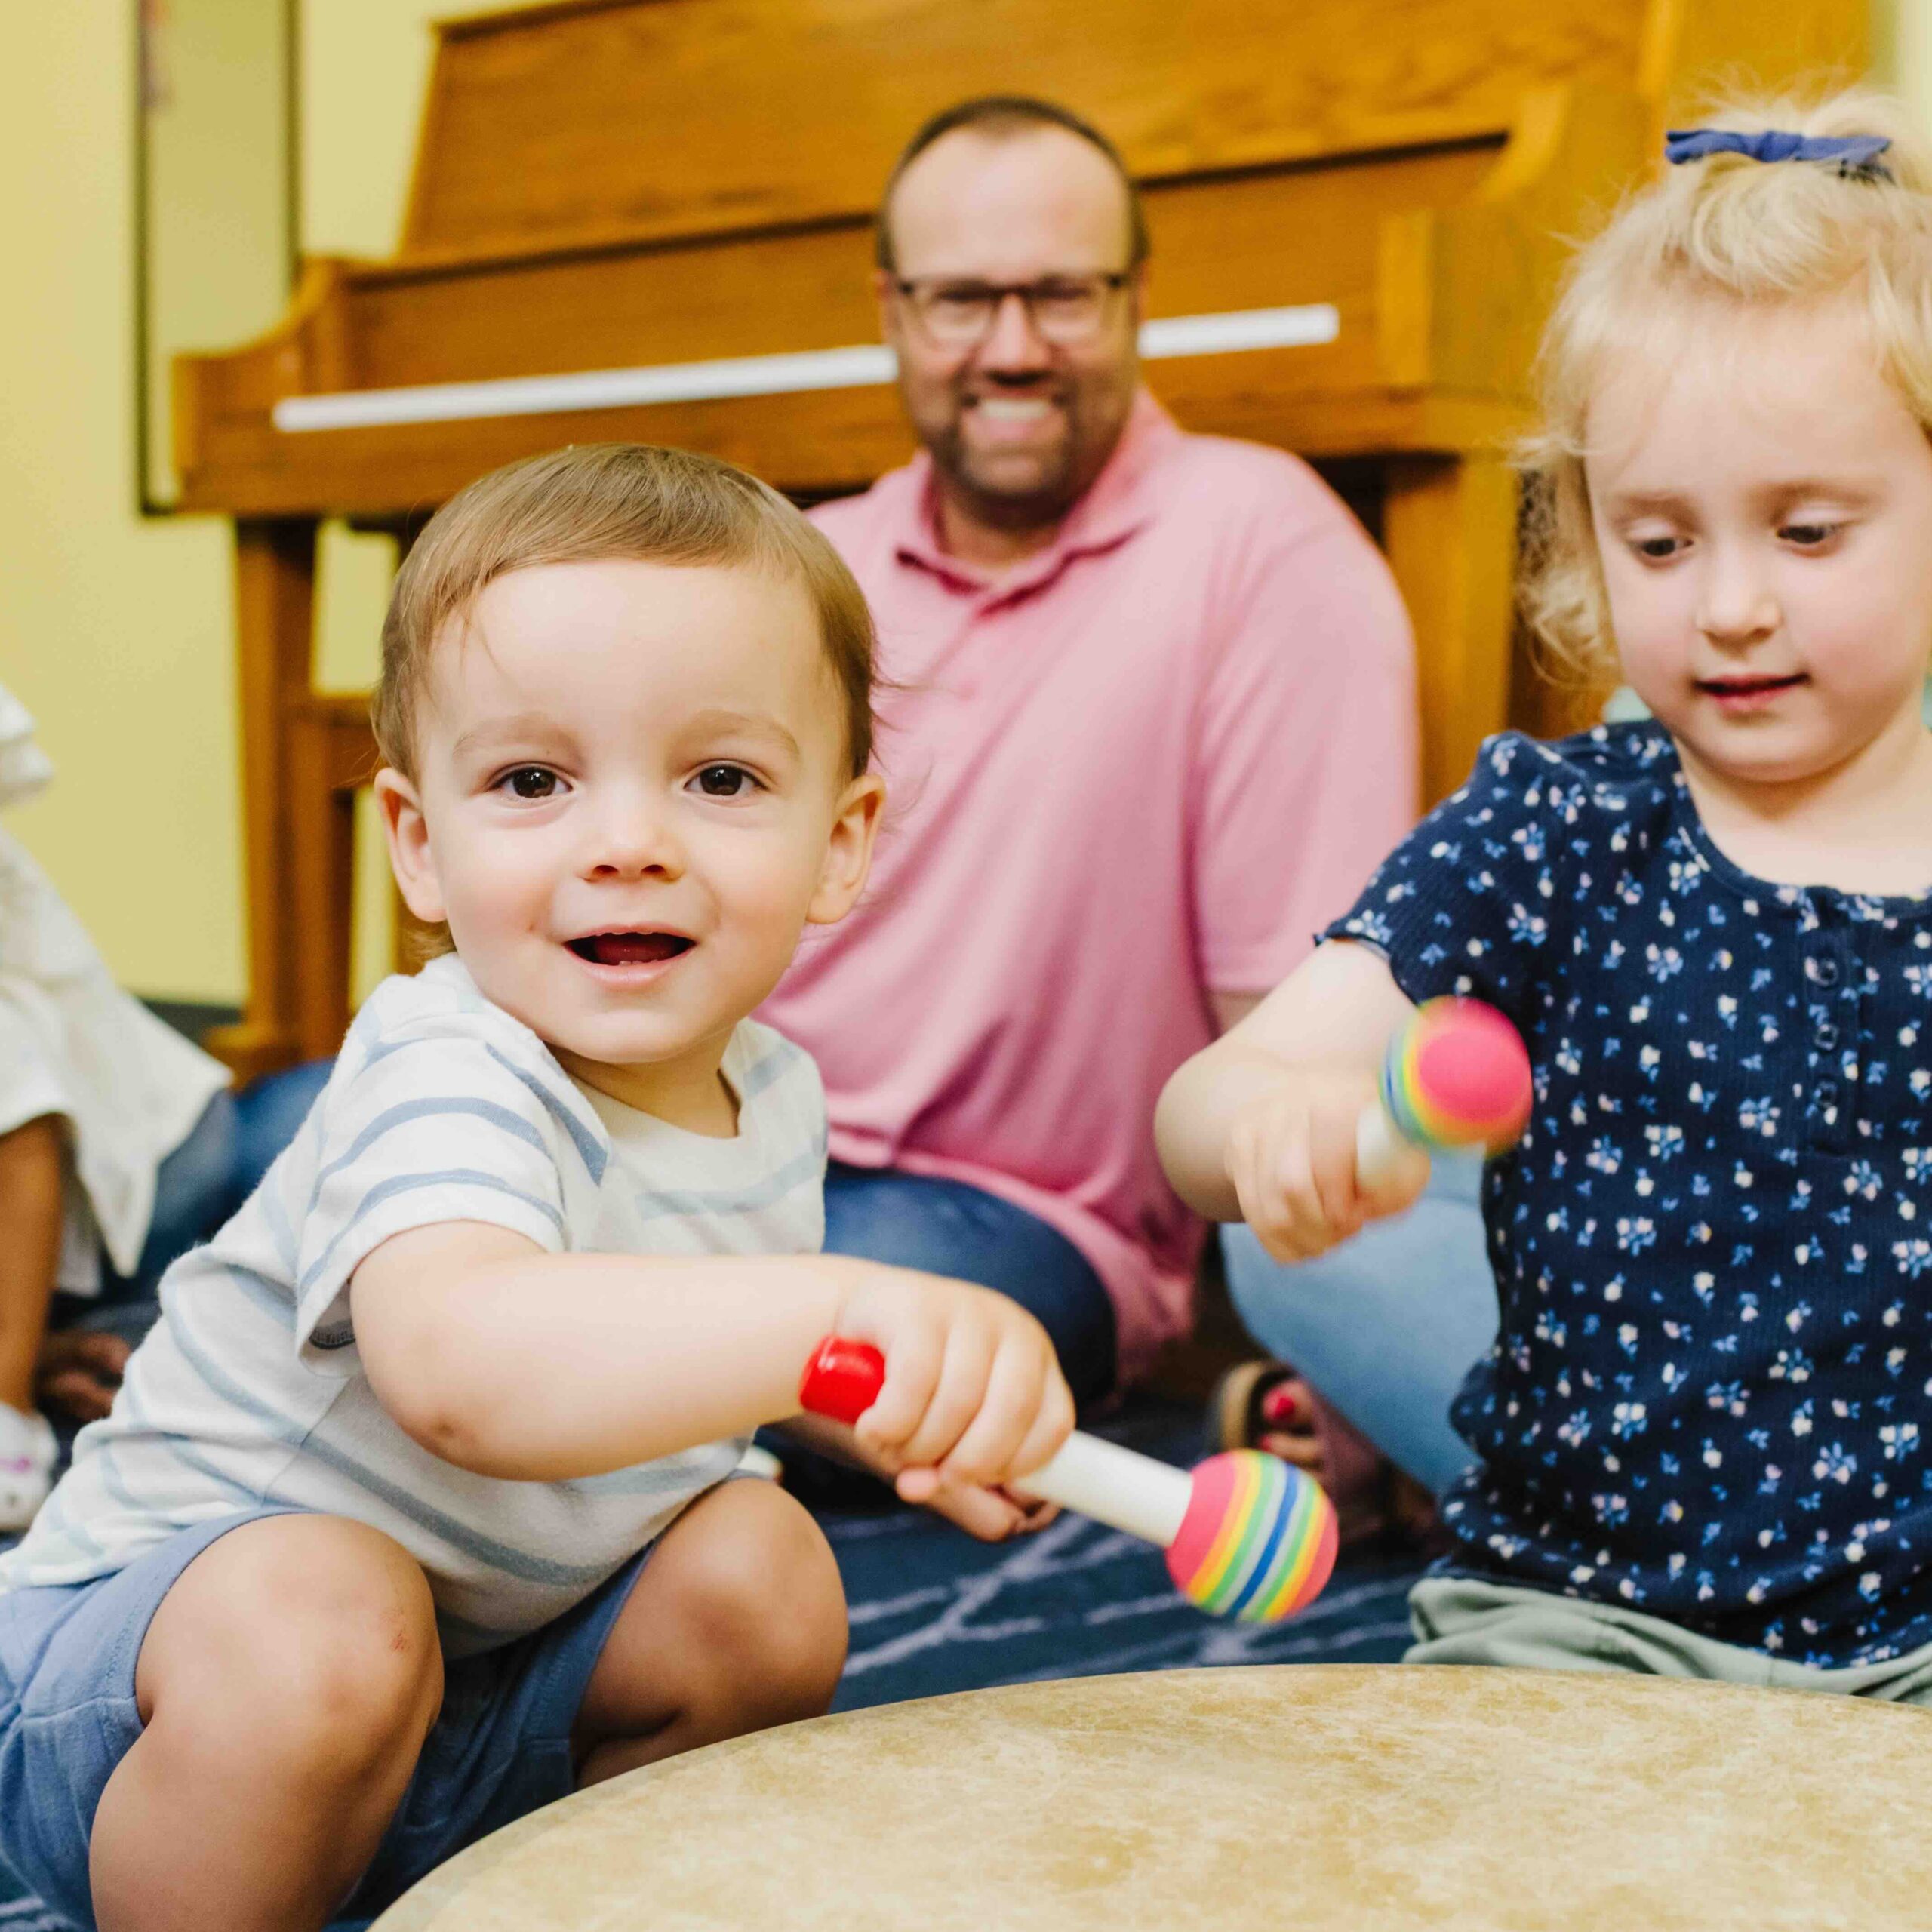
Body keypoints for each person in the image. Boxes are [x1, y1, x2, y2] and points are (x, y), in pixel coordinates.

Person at [0, 444, 1074, 1932]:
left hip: (469, 1686)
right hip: (151, 1707)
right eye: (531, 779)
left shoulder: (769, 1091)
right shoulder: (448, 1063)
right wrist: (839, 1298)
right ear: (420, 845)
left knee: (763, 1567)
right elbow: (464, 1369)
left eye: (717, 777)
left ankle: (552, 1893)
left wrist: (891, 1399)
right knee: (327, 1608)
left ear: (840, 845)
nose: (625, 843)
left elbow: (703, 1359)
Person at [1156, 90, 1932, 1690]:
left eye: (1803, 530)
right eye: (1654, 542)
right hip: (1580, 1616)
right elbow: (1205, 1104)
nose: (1726, 604)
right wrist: (1267, 1126)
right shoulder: (1554, 827)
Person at [761, 95, 1417, 1427]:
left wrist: (1349, 1330)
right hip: (710, 1150)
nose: (1012, 348)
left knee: (802, 1323)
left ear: (1135, 301)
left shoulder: (1261, 548)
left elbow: (1294, 1037)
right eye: (960, 300)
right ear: (892, 311)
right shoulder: (805, 567)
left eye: (1061, 294)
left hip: (1011, 1228)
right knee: (272, 1148)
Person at [0, 682, 329, 1534]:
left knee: (331, 1130)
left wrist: (5, 1404)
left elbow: (21, 1146)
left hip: (169, 1171)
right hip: (73, 1273)